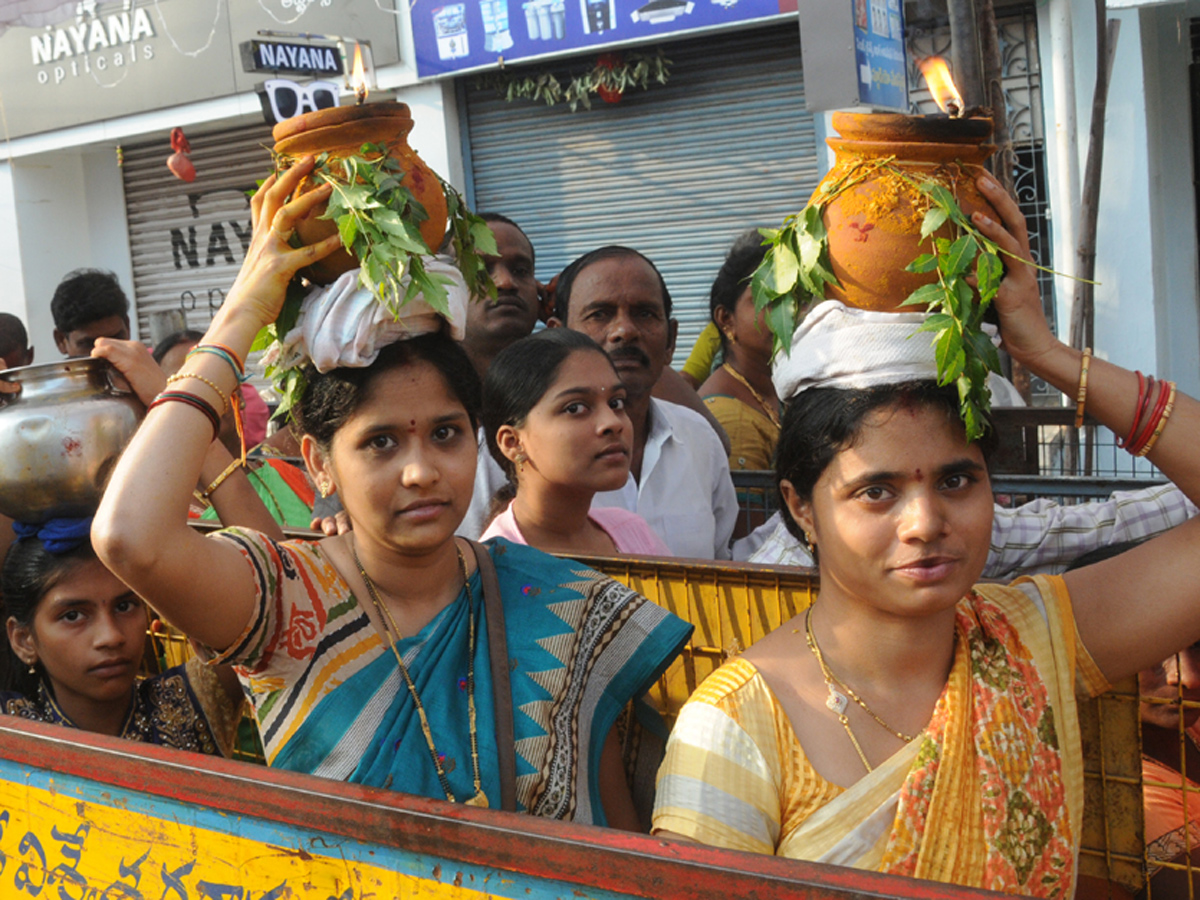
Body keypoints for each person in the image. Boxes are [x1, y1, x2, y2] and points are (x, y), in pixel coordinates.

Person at [92, 159, 692, 828]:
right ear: (319, 464)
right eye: (381, 443)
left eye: (445, 433)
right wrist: (241, 316)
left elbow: (613, 829)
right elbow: (128, 538)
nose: (421, 471)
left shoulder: (558, 605)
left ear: (479, 438)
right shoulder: (291, 599)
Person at [652, 174, 1200, 897]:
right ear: (802, 507)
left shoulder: (1035, 638)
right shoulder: (734, 725)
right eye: (876, 491)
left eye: (955, 480)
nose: (926, 523)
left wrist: (1046, 355)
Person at [549, 246, 738, 560]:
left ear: (671, 341)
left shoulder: (699, 439)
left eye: (644, 314)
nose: (624, 331)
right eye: (600, 314)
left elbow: (720, 561)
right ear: (558, 337)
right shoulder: (520, 452)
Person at [0, 526, 243, 755]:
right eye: (73, 616)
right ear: (24, 640)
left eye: (124, 606)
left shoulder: (191, 702)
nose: (111, 636)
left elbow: (275, 583)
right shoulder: (10, 729)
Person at [480, 329, 670, 556]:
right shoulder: (494, 570)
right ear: (513, 442)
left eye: (616, 403)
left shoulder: (633, 534)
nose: (612, 423)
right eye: (575, 408)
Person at [153, 330, 315, 530]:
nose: (199, 397)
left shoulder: (289, 476)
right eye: (182, 385)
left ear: (238, 393)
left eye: (209, 379)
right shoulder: (162, 513)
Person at [699, 230, 779, 473]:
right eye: (769, 300)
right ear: (726, 320)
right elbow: (746, 513)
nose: (789, 315)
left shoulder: (773, 388)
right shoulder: (734, 421)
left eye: (796, 299)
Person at [51, 269, 131, 357]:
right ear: (61, 341)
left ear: (127, 327)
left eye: (116, 341)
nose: (107, 354)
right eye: (89, 345)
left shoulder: (146, 368)